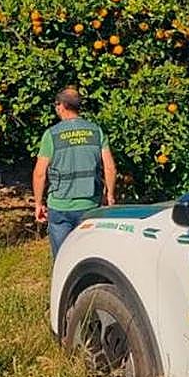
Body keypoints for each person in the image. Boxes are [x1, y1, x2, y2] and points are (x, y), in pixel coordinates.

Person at [32, 87, 116, 258]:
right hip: (90, 205)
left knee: (63, 258)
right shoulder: (96, 131)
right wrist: (110, 196)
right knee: (88, 257)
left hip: (60, 206)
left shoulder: (52, 135)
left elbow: (40, 173)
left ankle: (64, 283)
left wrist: (38, 203)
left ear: (61, 106)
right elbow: (110, 168)